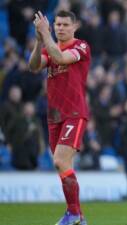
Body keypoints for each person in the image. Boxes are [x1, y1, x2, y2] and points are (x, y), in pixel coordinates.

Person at [28, 10, 90, 225]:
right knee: (61, 165)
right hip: (54, 116)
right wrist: (38, 41)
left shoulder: (81, 46)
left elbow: (61, 57)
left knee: (60, 160)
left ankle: (72, 213)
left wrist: (45, 35)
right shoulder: (48, 46)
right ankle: (79, 217)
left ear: (75, 27)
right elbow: (34, 66)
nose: (61, 28)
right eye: (57, 25)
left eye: (65, 25)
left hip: (75, 113)